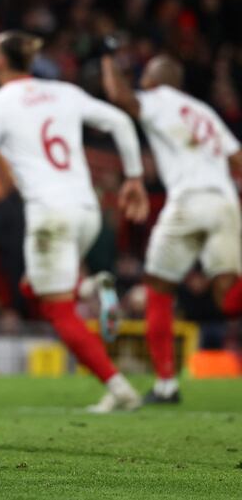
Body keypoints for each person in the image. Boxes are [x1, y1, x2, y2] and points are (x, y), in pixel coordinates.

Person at [0, 31, 149, 413]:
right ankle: (91, 287)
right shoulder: (64, 92)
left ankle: (120, 389)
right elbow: (120, 121)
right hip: (88, 212)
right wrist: (133, 177)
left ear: (0, 60)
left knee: (56, 310)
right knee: (31, 285)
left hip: (50, 216)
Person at [102, 53, 242, 403]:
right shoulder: (203, 111)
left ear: (155, 78)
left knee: (157, 289)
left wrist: (106, 57)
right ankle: (166, 384)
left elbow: (120, 97)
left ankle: (166, 385)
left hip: (188, 201)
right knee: (227, 298)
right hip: (224, 201)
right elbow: (237, 158)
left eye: (145, 73)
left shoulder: (158, 100)